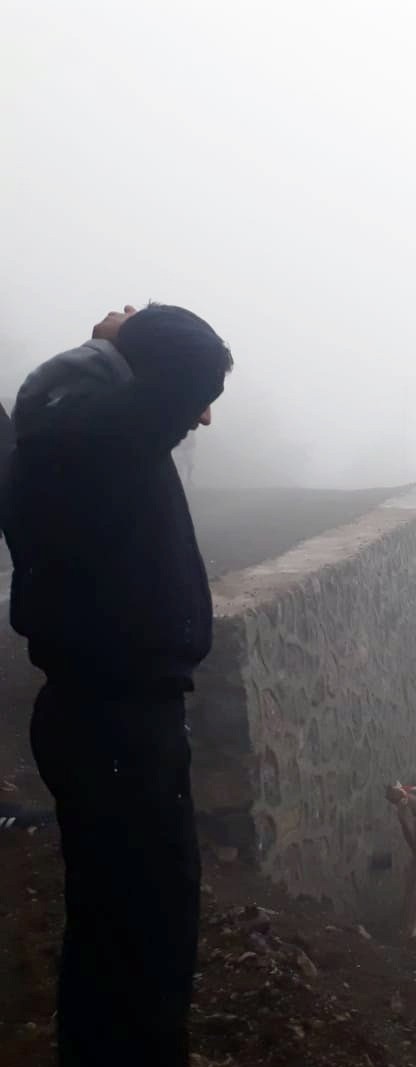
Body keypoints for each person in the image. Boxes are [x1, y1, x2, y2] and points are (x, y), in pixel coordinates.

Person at [4, 303, 232, 1066]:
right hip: (119, 722)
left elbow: (182, 373)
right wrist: (118, 344)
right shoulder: (93, 442)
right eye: (194, 398)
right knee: (147, 936)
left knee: (111, 927)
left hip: (97, 712)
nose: (200, 416)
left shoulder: (64, 434)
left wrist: (117, 356)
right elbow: (200, 359)